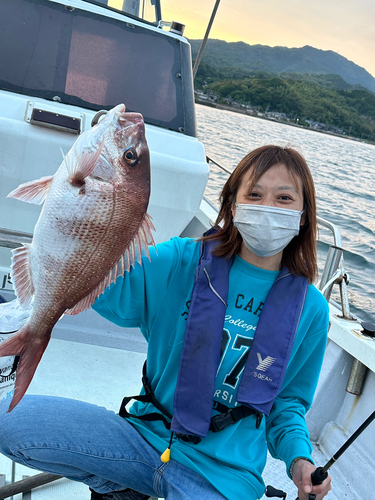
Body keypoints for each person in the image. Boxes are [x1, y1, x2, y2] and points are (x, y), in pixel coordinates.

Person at [0, 145, 332, 500]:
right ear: (233, 205)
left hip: (223, 476)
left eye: (284, 198)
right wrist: (88, 210)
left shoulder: (311, 310)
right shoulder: (181, 260)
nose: (267, 207)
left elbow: (287, 406)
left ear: (303, 215)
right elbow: (109, 285)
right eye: (254, 194)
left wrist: (300, 463)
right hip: (143, 438)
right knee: (9, 424)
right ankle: (118, 483)